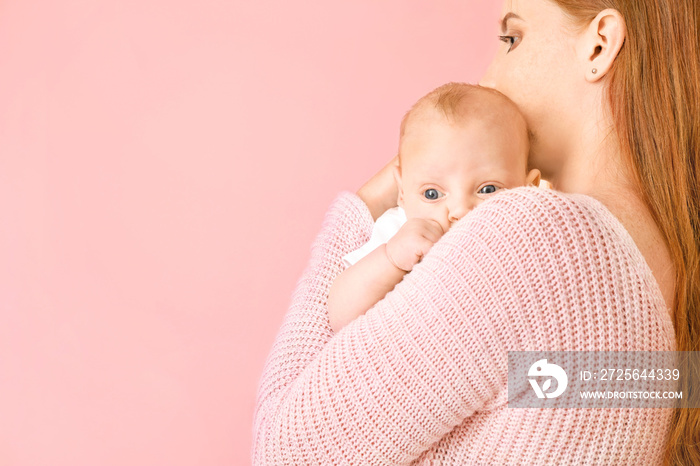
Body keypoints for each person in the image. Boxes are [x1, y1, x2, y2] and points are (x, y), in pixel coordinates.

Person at [252, 0, 699, 464]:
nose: (488, 77)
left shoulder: (534, 236)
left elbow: (285, 450)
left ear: (599, 45)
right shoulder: (668, 264)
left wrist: (363, 208)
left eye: (513, 39)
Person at [328, 83, 540, 333]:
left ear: (531, 189)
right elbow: (339, 315)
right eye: (432, 194)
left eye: (488, 189)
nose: (460, 211)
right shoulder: (399, 232)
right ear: (403, 193)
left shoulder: (525, 239)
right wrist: (391, 259)